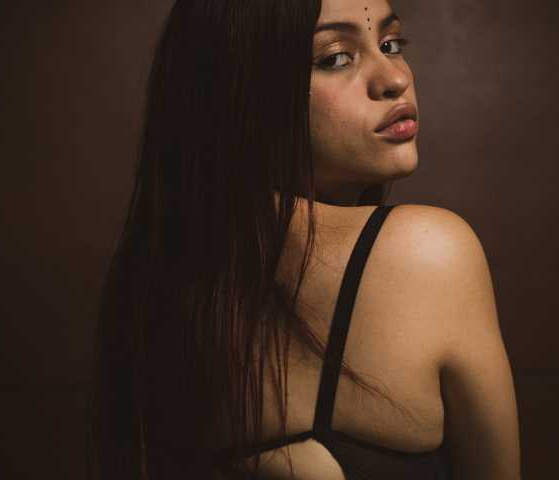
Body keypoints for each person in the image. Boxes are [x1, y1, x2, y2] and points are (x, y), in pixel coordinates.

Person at [88, 0, 522, 479]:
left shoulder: (154, 286)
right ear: (241, 92)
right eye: (335, 58)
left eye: (390, 44)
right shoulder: (426, 251)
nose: (394, 79)